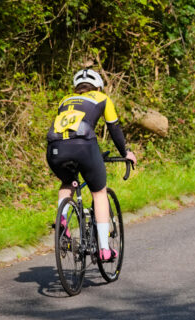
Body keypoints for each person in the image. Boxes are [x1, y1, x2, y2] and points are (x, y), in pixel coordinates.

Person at [46, 69, 137, 261]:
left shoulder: (65, 100)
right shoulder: (102, 97)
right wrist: (125, 152)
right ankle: (104, 249)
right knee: (99, 192)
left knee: (68, 182)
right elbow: (114, 127)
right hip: (83, 147)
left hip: (55, 148)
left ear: (76, 88)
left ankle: (62, 218)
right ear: (97, 87)